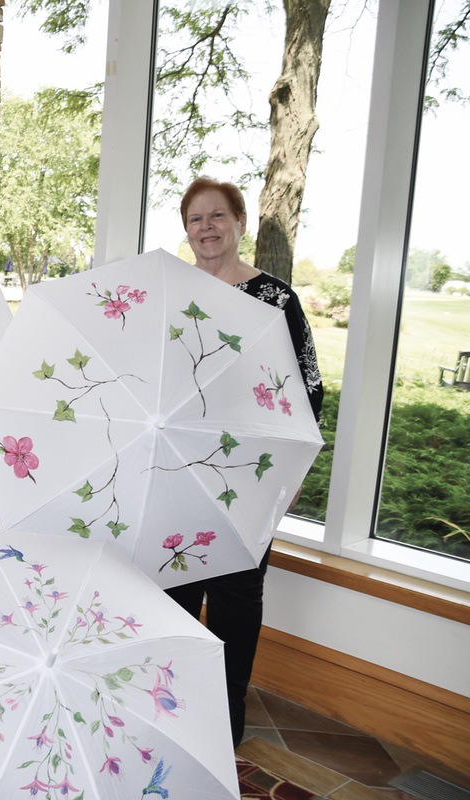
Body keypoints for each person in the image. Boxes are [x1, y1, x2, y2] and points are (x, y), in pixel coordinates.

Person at [167, 176, 324, 746]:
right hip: (178, 464)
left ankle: (222, 722)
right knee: (174, 587)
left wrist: (292, 471)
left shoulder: (275, 299)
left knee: (234, 594)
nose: (206, 228)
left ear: (238, 224)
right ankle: (176, 710)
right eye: (195, 220)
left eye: (217, 217)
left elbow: (307, 390)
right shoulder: (174, 295)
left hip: (250, 470)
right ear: (186, 231)